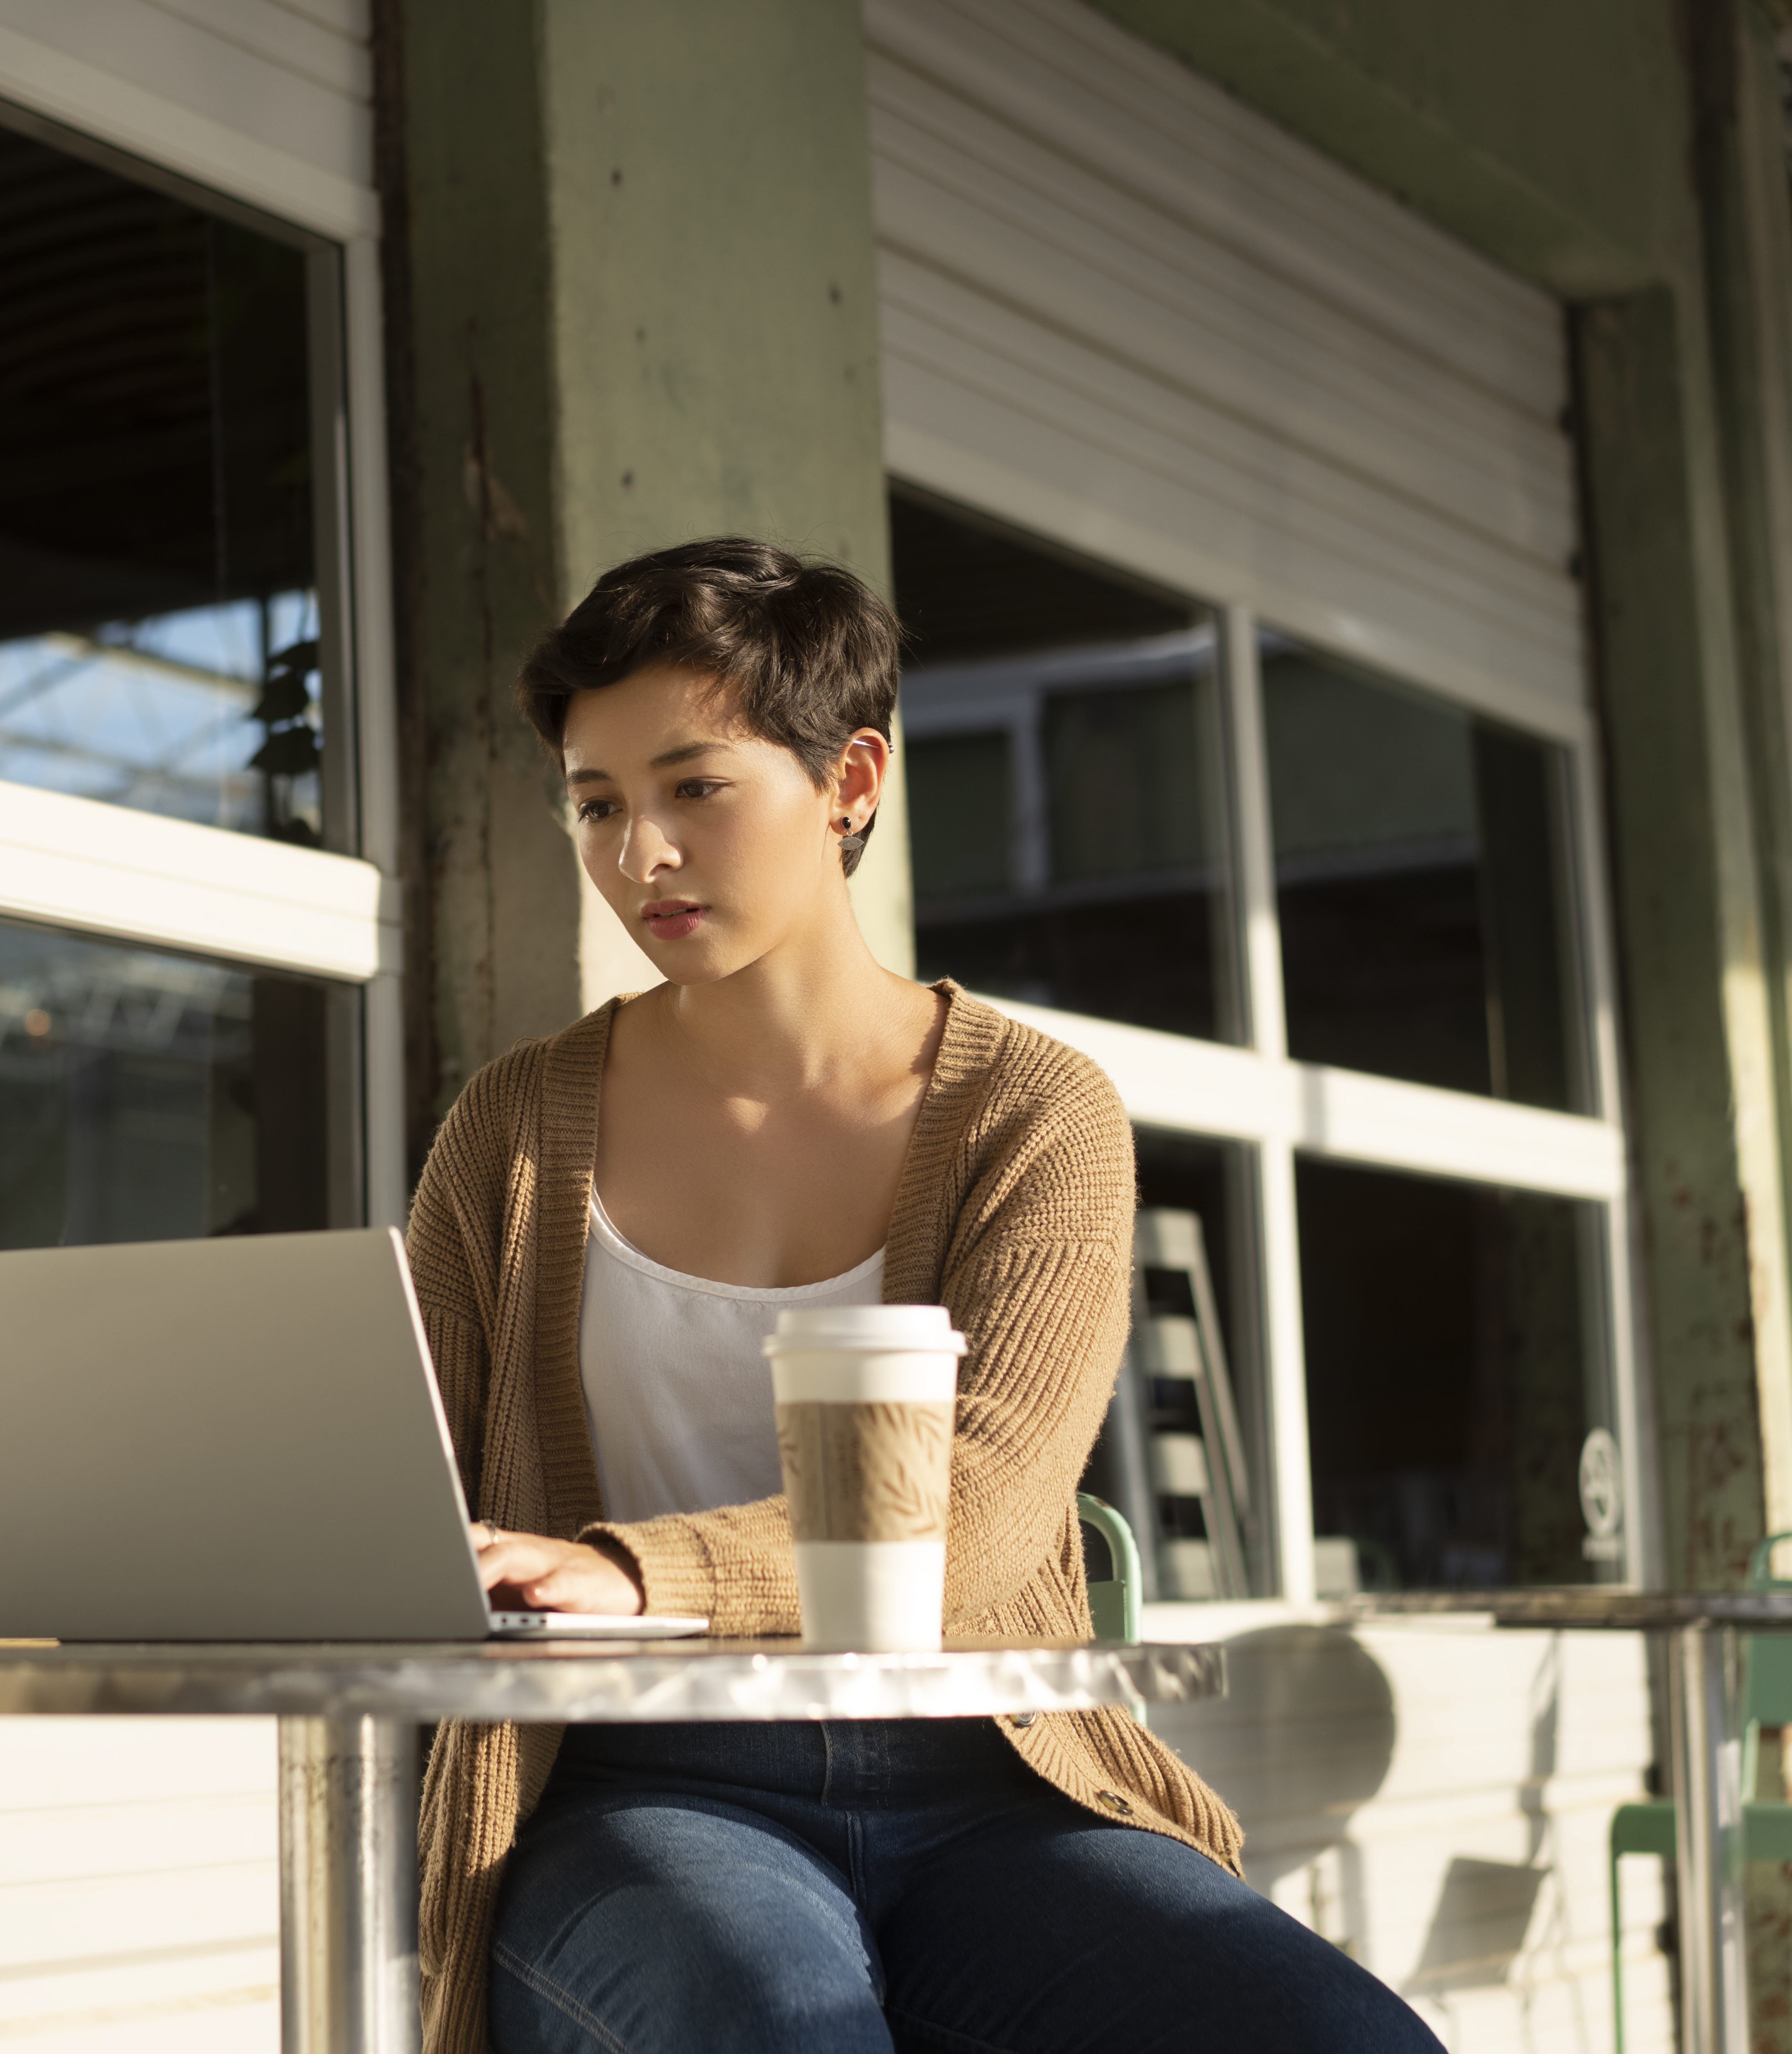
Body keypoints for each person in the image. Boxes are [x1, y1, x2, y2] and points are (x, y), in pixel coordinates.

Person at [410, 540, 1438, 2053]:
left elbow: (992, 1508)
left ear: (850, 780)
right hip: (640, 1786)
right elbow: (406, 1475)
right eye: (598, 803)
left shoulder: (1032, 1111)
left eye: (696, 787)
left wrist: (642, 1573)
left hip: (994, 1789)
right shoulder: (510, 1128)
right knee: (769, 2023)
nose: (641, 855)